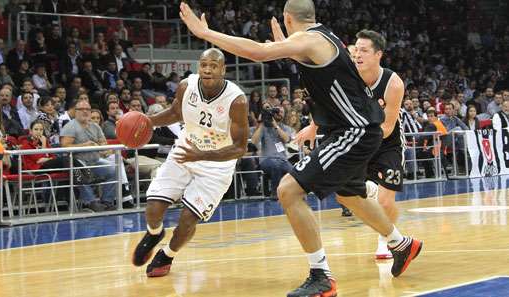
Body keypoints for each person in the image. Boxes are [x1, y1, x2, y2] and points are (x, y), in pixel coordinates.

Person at [179, 2, 422, 296]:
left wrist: (204, 32)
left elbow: (257, 52)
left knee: (288, 190)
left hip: (353, 131)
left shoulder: (309, 40)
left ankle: (322, 276)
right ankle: (401, 244)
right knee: (349, 196)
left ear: (288, 18)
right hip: (352, 129)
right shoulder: (320, 38)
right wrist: (285, 44)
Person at [132, 48, 249, 278]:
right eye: (204, 65)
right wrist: (148, 122)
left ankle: (168, 254)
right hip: (185, 150)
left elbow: (240, 148)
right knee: (153, 209)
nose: (207, 69)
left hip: (216, 165)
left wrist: (202, 155)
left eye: (213, 66)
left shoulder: (237, 100)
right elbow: (177, 112)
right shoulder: (187, 86)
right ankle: (154, 233)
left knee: (187, 220)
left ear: (223, 70)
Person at [349, 30, 406, 259]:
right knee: (346, 192)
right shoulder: (348, 77)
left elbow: (388, 127)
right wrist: (314, 127)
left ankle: (385, 240)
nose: (358, 55)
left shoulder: (393, 83)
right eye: (356, 50)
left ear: (378, 54)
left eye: (364, 50)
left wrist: (359, 142)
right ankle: (368, 187)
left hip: (388, 143)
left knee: (385, 200)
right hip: (360, 138)